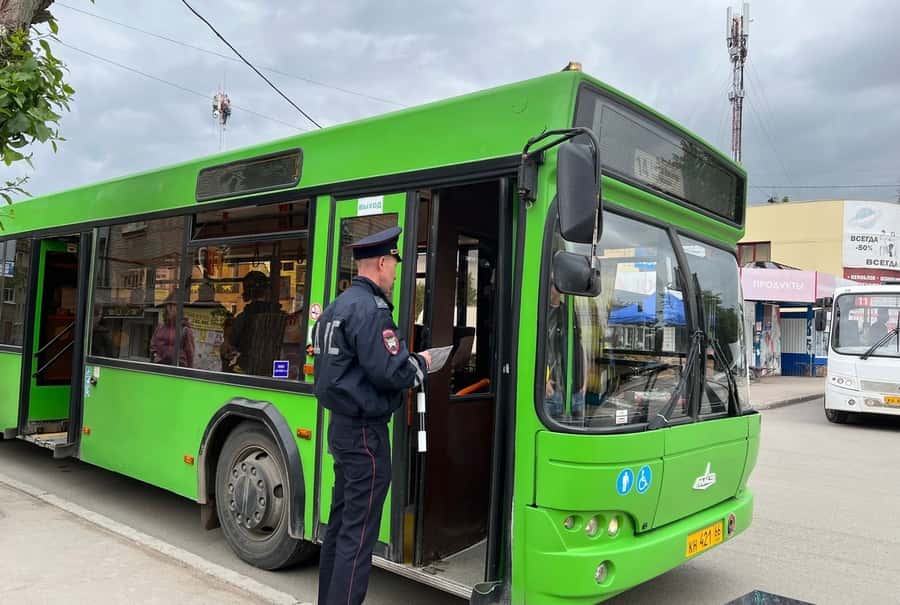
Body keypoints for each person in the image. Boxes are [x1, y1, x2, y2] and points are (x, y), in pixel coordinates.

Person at [313, 226, 431, 605]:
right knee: (359, 534)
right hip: (366, 435)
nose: (396, 274)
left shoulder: (335, 307)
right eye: (394, 265)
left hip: (341, 429)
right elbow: (392, 372)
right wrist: (423, 363)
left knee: (341, 524)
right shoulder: (372, 311)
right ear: (382, 262)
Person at [226, 270, 284, 374]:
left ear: (247, 292)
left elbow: (232, 343)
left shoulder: (243, 317)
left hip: (247, 368)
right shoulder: (281, 315)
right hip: (275, 369)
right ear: (267, 290)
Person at [544, 284, 586, 419]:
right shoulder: (541, 313)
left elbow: (579, 346)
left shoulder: (569, 312)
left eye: (553, 283)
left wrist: (585, 381)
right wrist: (543, 382)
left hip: (576, 391)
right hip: (552, 390)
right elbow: (533, 349)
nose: (550, 287)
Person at [150, 293, 195, 367]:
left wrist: (189, 370)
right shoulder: (160, 327)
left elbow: (190, 353)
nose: (169, 310)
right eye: (167, 307)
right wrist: (155, 355)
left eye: (172, 307)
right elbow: (153, 345)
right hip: (160, 365)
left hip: (178, 367)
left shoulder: (185, 329)